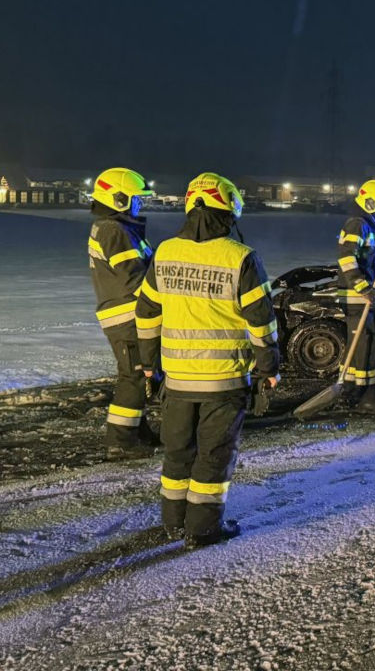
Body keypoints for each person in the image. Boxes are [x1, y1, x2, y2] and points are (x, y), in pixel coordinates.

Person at [136, 172, 280, 548]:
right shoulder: (241, 258)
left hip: (177, 381)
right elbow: (261, 323)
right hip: (223, 382)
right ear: (228, 213)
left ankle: (173, 523)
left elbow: (147, 314)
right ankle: (202, 529)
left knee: (177, 453)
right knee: (213, 456)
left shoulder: (165, 253)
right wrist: (268, 368)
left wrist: (149, 365)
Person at [87, 167, 160, 459]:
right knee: (134, 376)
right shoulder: (114, 231)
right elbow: (134, 275)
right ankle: (120, 442)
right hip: (128, 317)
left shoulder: (117, 228)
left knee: (138, 375)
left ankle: (137, 431)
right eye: (135, 199)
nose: (140, 204)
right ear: (118, 199)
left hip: (128, 316)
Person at [337, 179, 375, 412]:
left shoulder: (369, 226)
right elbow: (346, 259)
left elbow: (371, 267)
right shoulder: (358, 225)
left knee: (362, 344)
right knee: (367, 345)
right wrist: (363, 288)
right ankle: (366, 397)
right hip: (355, 296)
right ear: (370, 202)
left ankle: (350, 390)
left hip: (361, 295)